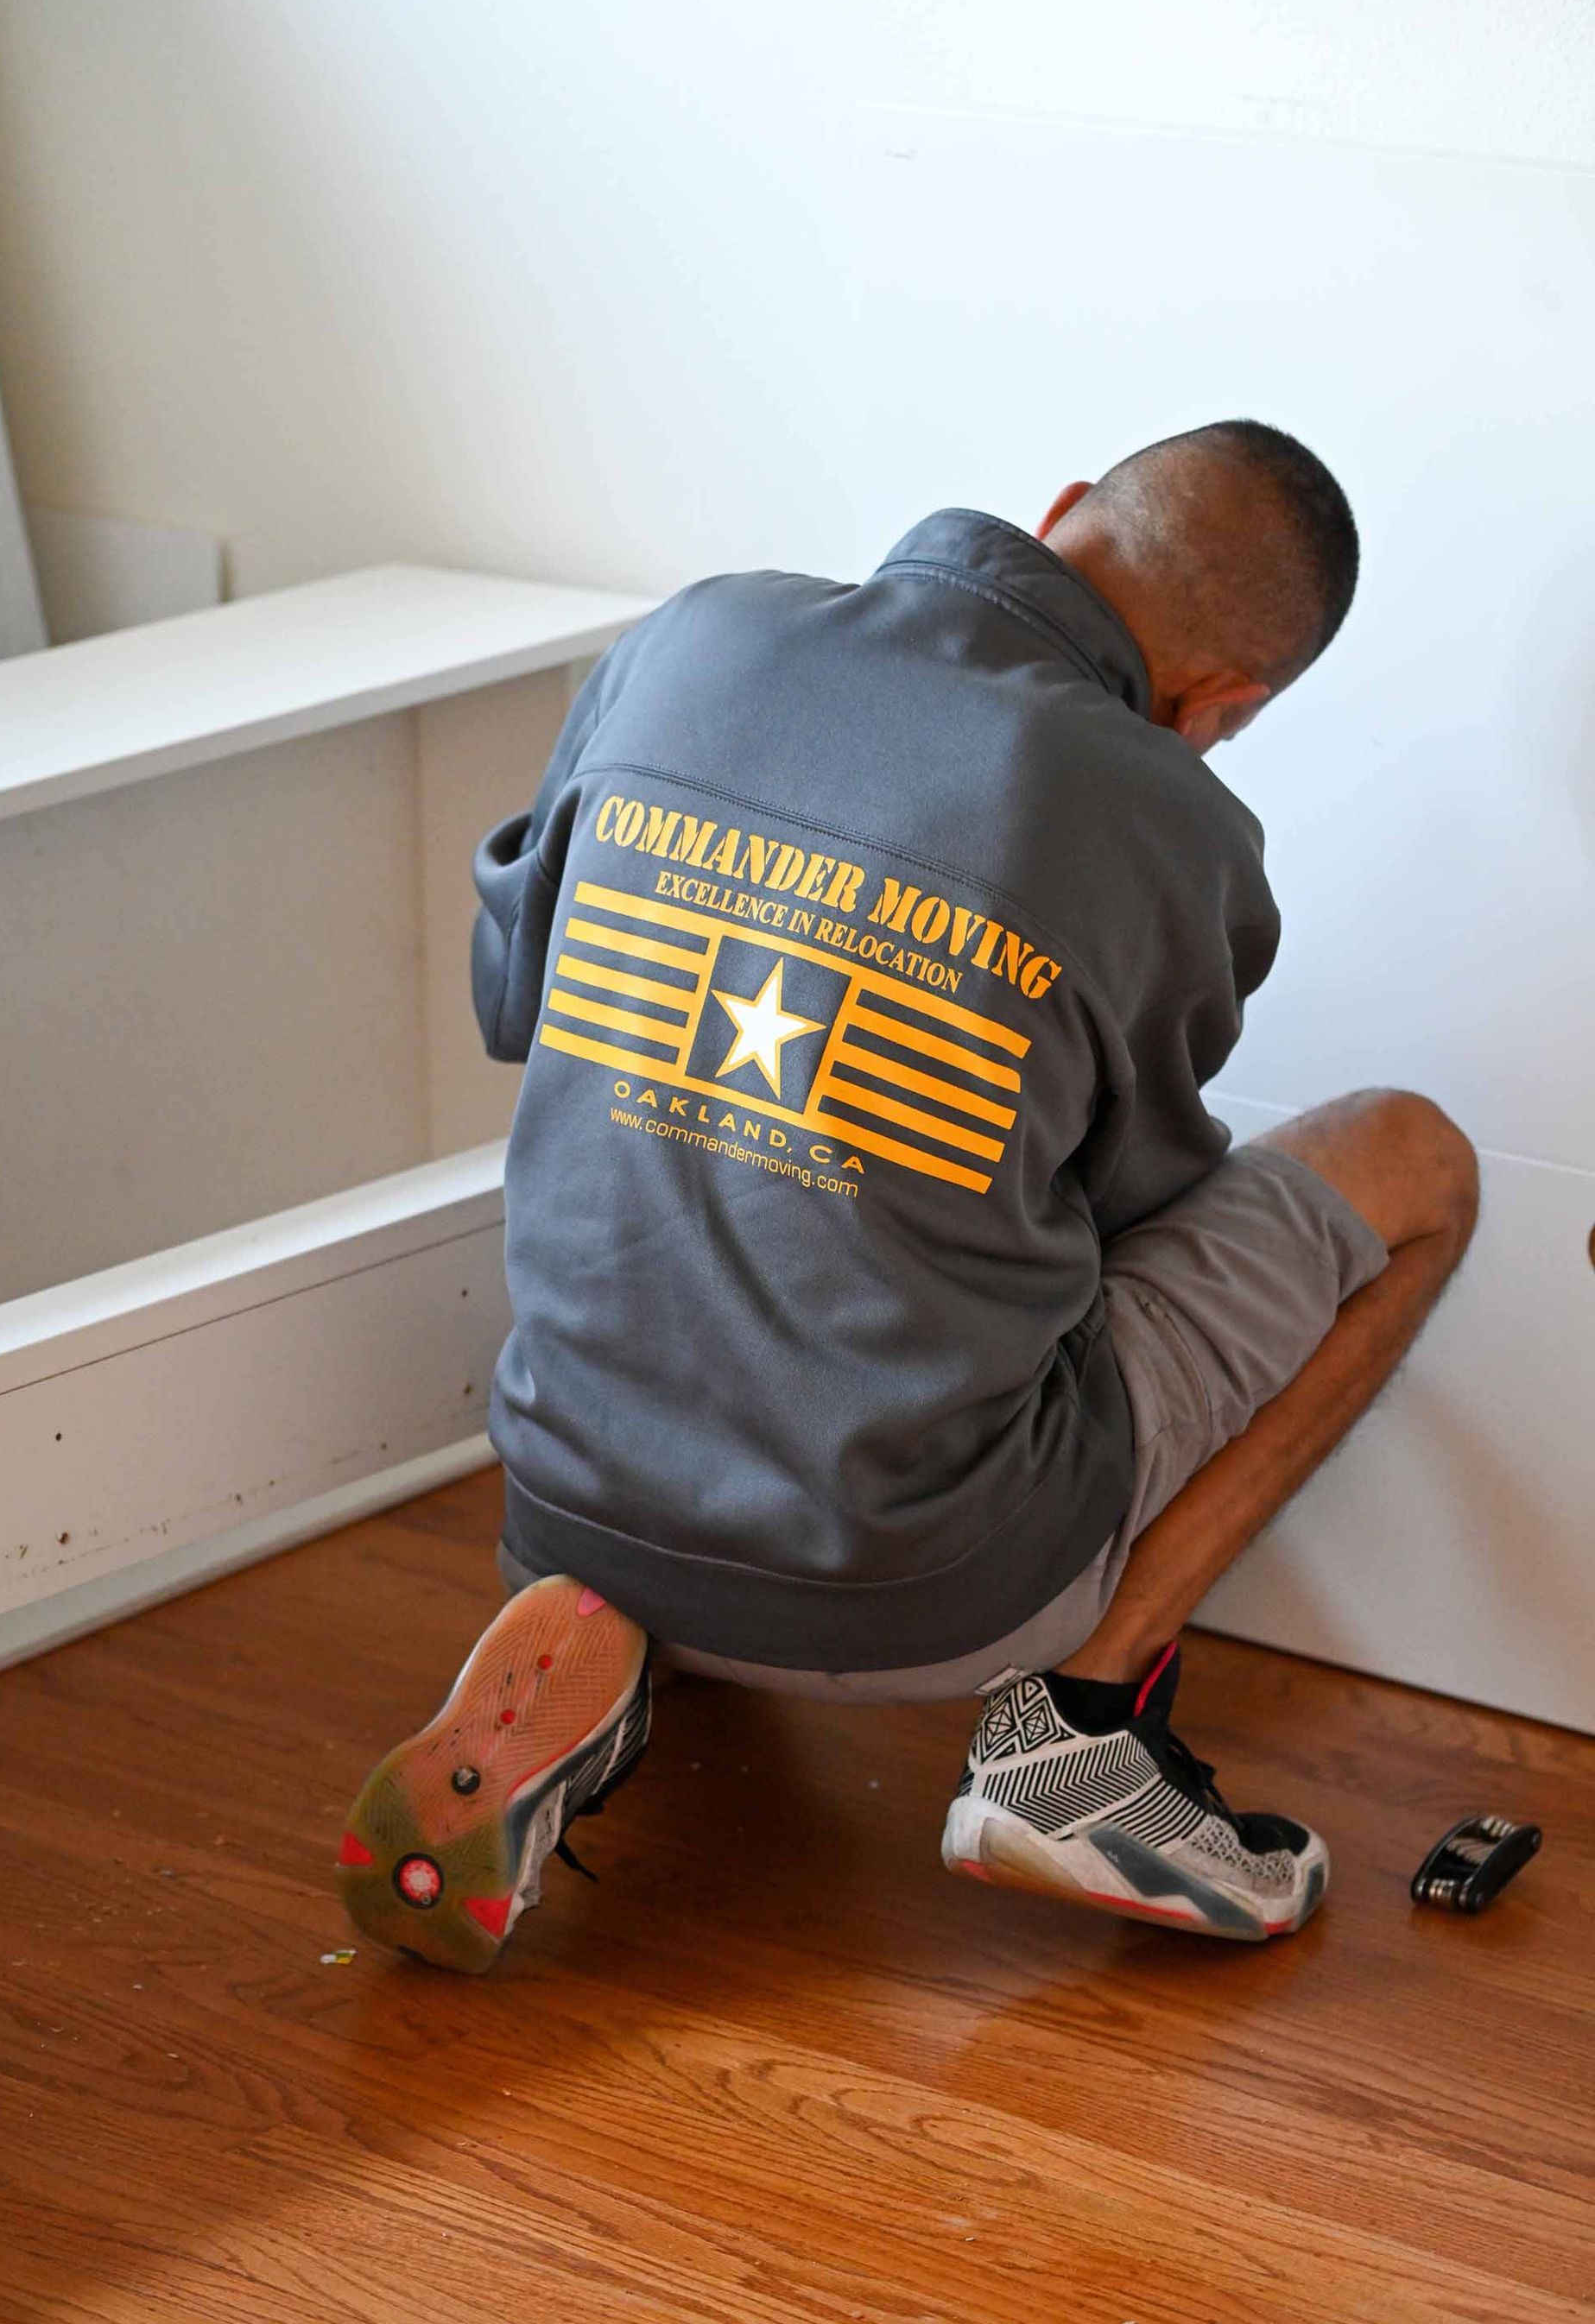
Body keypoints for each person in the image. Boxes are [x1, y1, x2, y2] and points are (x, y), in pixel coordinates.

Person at [336, 421, 1478, 1972]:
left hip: (563, 1492)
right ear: (1226, 705)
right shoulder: (1173, 822)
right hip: (925, 1591)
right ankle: (1074, 1740)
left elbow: (510, 1001)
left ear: (1068, 507)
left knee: (753, 1201)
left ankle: (609, 1650)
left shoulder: (697, 630)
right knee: (1415, 1159)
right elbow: (1128, 1215)